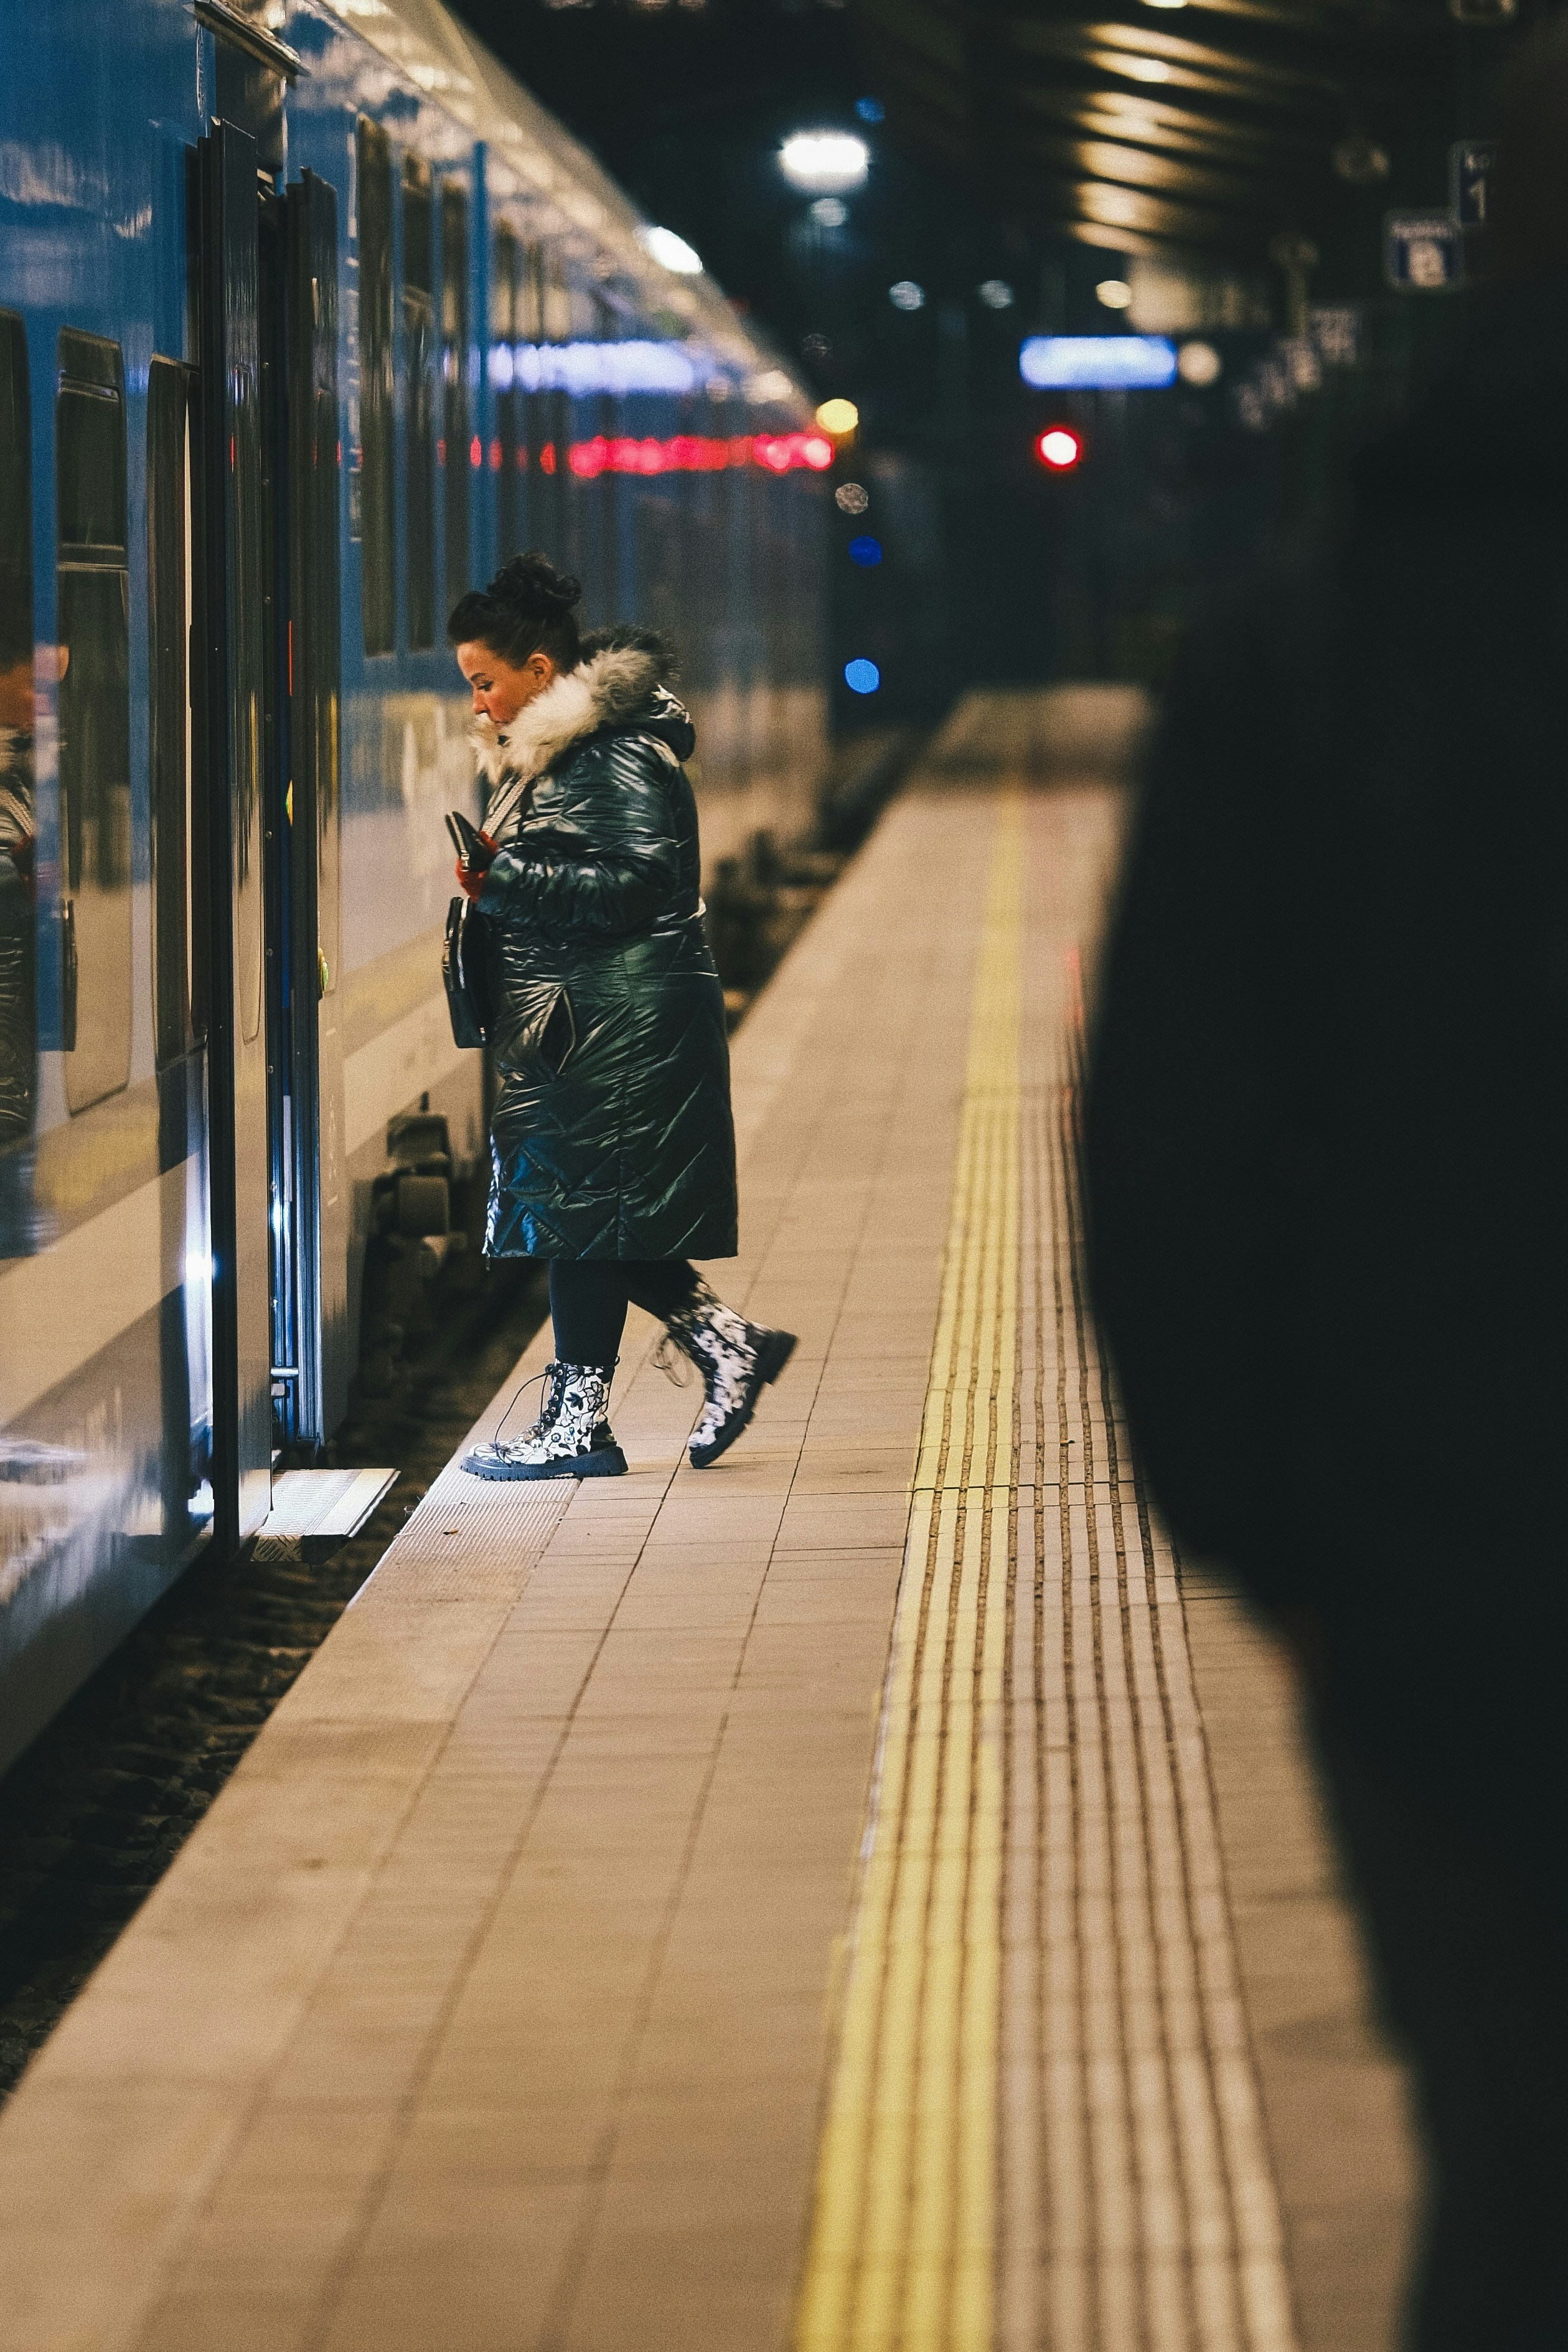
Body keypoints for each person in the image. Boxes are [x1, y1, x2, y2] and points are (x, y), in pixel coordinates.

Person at [1082, 40, 1568, 2352]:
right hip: (1452, 1594)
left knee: (1525, 2183)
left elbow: (1168, 1192)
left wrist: (1332, 1565)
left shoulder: (1314, 649)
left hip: (1472, 1630)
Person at [444, 553, 794, 1482]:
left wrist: (504, 878)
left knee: (581, 1223)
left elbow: (639, 883)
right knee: (588, 1219)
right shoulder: (572, 753)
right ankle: (723, 1346)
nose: (478, 704)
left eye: (486, 682)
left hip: (617, 1021)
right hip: (588, 1017)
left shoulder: (613, 753)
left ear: (542, 673)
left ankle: (580, 1425)